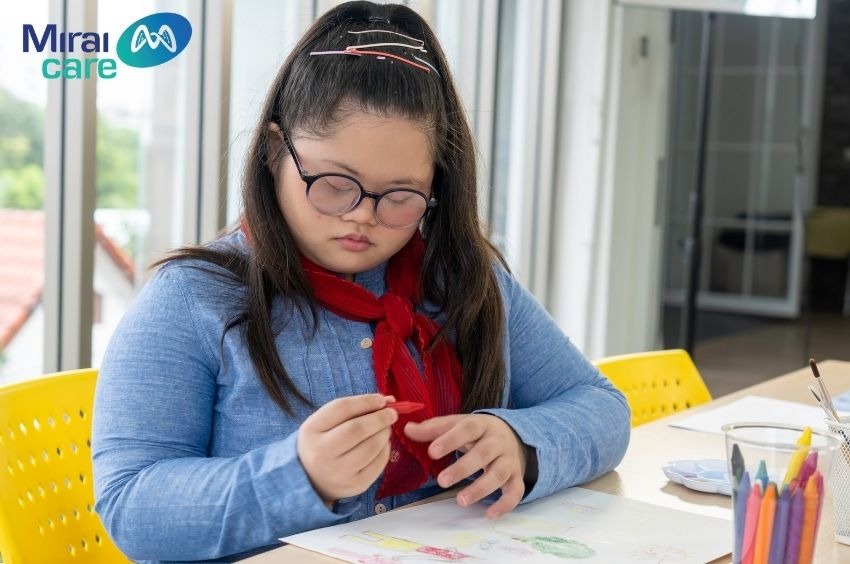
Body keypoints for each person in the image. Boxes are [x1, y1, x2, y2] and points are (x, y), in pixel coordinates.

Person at [91, 2, 631, 562]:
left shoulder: (464, 282)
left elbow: (602, 407)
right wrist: (297, 477)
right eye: (333, 184)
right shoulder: (192, 297)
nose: (362, 216)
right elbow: (131, 506)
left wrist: (520, 443)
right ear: (276, 151)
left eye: (400, 196)